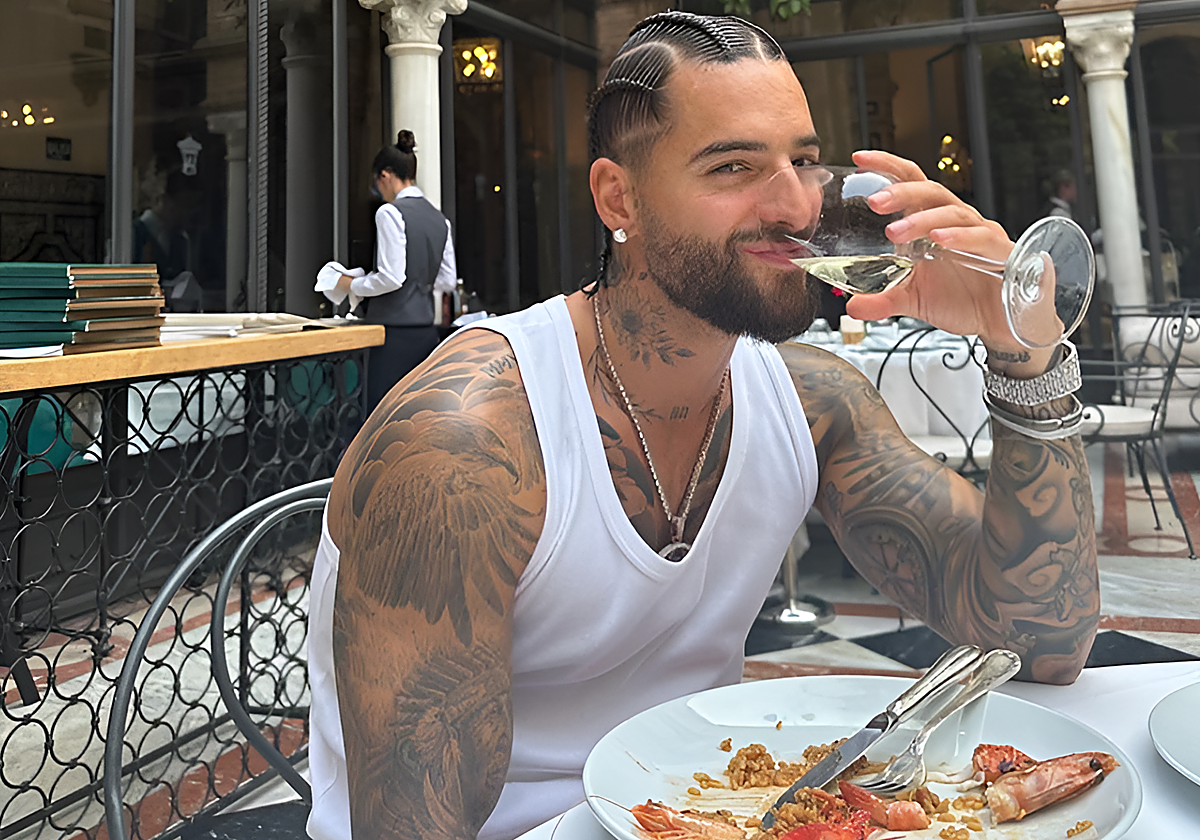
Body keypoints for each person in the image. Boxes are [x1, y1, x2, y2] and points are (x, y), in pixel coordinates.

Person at [306, 12, 1099, 840]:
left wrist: (1025, 354)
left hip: (713, 811)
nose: (796, 206)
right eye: (733, 167)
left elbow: (1040, 639)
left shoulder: (813, 401)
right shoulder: (465, 444)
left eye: (803, 161)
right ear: (619, 198)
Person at [336, 130, 458, 410]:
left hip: (391, 334)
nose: (378, 191)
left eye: (376, 184)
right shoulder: (440, 219)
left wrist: (350, 284)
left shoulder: (389, 212)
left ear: (386, 176)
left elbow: (392, 277)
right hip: (425, 332)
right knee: (416, 413)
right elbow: (448, 280)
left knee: (383, 414)